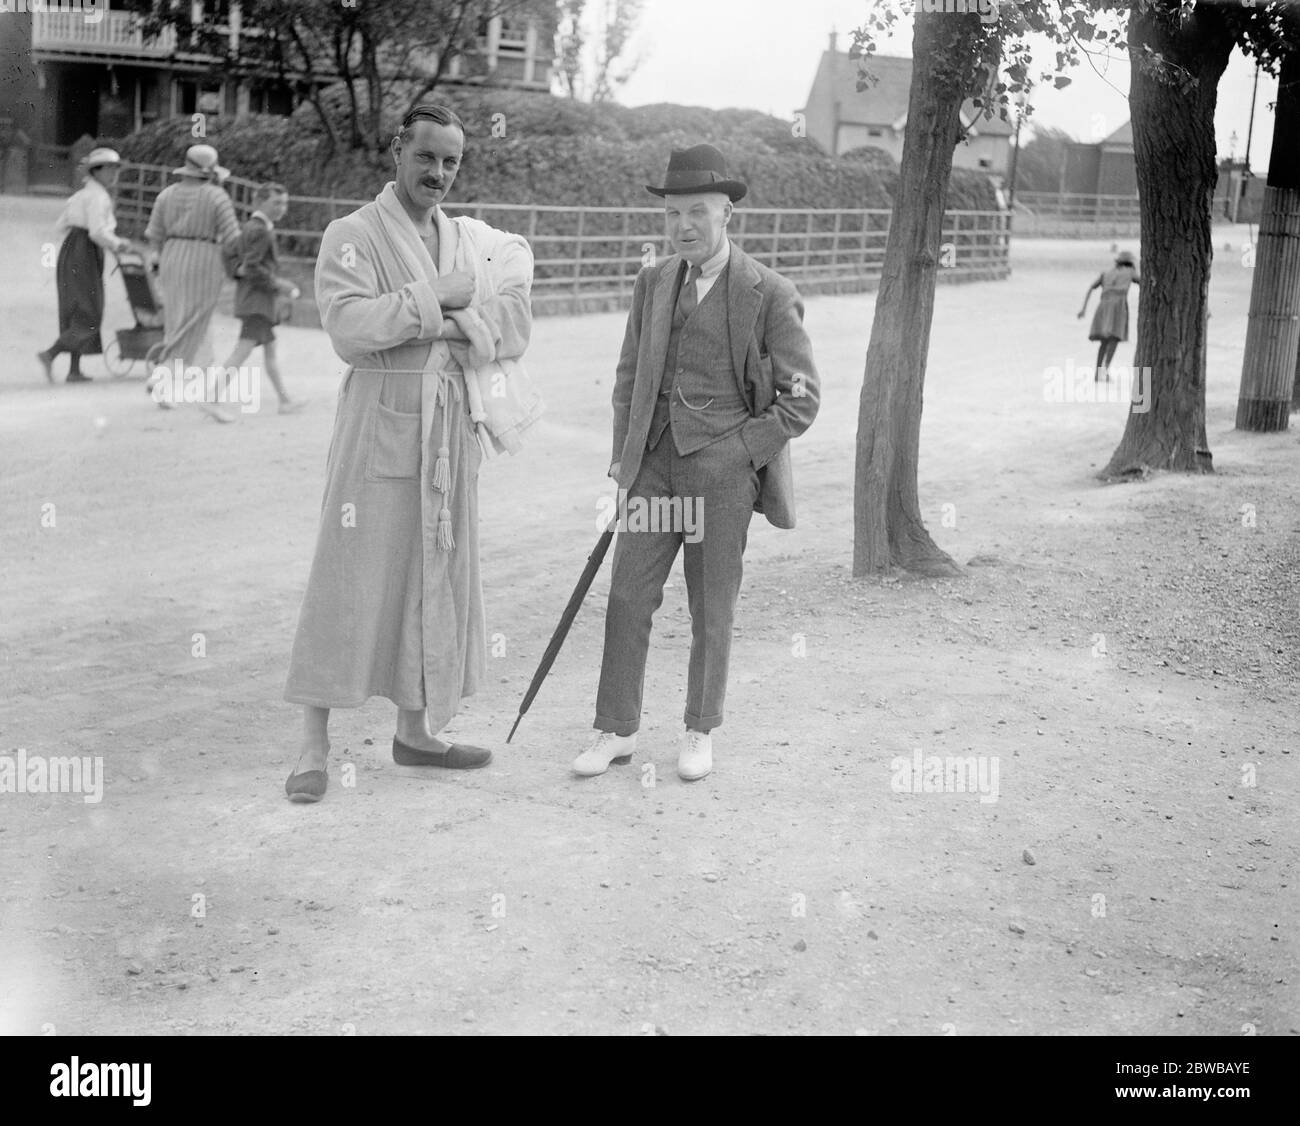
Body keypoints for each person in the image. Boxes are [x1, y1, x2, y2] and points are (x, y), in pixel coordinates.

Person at [282, 104, 539, 803]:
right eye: (427, 156)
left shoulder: (469, 237)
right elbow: (347, 325)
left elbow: (516, 319)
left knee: (437, 569)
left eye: (451, 161)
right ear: (398, 150)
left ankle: (417, 732)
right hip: (380, 419)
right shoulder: (352, 234)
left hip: (450, 425)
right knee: (349, 573)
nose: (439, 173)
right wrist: (437, 299)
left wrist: (458, 325)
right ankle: (312, 744)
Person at [572, 144, 820, 783]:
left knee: (712, 606)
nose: (684, 226)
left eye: (699, 213)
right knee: (627, 596)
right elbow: (629, 377)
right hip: (653, 466)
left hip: (722, 473)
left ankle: (698, 729)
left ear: (727, 213)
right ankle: (616, 729)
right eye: (673, 214)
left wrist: (741, 453)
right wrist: (625, 458)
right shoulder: (652, 282)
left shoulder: (769, 292)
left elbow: (803, 398)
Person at [143, 144, 241, 408]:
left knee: (177, 321)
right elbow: (232, 238)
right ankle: (163, 375)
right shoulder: (217, 196)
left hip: (171, 256)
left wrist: (158, 259)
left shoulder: (166, 195)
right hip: (204, 257)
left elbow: (154, 235)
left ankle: (171, 382)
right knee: (194, 322)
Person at [201, 182, 305, 423]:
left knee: (269, 352)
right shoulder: (259, 230)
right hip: (257, 301)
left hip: (256, 300)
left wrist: (236, 272)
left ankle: (285, 401)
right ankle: (211, 398)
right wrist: (279, 285)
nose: (282, 208)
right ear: (258, 203)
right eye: (276, 203)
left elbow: (229, 251)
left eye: (284, 203)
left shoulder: (251, 227)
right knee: (241, 352)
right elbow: (254, 266)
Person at [37, 148, 135, 383]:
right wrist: (118, 244)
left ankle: (74, 370)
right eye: (109, 169)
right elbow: (98, 231)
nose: (113, 174)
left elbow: (61, 225)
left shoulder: (82, 194)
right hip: (85, 251)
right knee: (89, 310)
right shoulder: (98, 197)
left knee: (75, 308)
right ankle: (50, 354)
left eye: (115, 169)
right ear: (96, 171)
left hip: (73, 250)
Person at [1078, 250, 1140, 381]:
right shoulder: (1130, 272)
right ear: (1129, 263)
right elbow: (1142, 282)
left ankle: (1097, 372)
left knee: (1104, 341)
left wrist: (1083, 309)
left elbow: (1091, 288)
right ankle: (1105, 371)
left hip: (1103, 306)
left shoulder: (1106, 273)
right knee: (1114, 338)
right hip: (1118, 307)